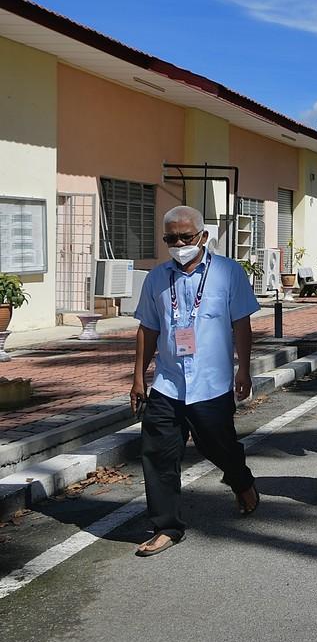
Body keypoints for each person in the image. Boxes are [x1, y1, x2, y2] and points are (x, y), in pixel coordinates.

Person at [130, 206, 261, 557]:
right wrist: (138, 378)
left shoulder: (228, 272)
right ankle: (166, 527)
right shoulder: (156, 278)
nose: (178, 244)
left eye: (186, 237)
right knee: (157, 454)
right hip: (168, 383)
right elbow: (148, 328)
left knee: (219, 447)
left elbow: (241, 325)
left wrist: (243, 369)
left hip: (211, 382)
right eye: (170, 238)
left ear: (203, 236)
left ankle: (241, 480)